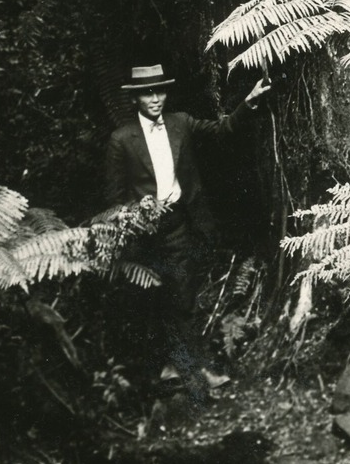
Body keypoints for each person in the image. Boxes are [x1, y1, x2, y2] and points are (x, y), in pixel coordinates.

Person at [103, 62, 269, 387]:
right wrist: (135, 218)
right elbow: (115, 200)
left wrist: (247, 103)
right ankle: (167, 369)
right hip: (145, 232)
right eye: (147, 93)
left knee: (184, 297)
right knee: (155, 301)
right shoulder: (121, 141)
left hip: (180, 224)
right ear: (136, 97)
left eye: (160, 90)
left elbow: (222, 131)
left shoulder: (181, 123)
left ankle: (194, 369)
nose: (155, 98)